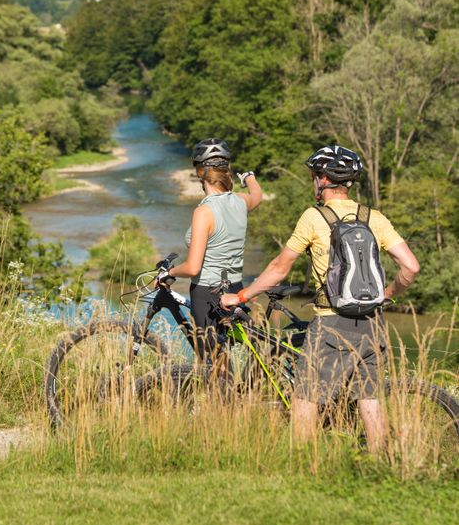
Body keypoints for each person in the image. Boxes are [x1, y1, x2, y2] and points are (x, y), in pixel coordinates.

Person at [221, 145, 420, 453]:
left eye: (314, 176)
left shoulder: (314, 218)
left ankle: (303, 466)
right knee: (369, 398)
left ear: (323, 179)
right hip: (372, 323)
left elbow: (278, 268)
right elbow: (411, 267)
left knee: (306, 396)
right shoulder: (374, 218)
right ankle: (382, 463)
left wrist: (242, 295)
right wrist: (386, 295)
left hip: (331, 322)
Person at [160, 138, 263, 358]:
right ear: (227, 169)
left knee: (213, 361)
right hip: (235, 288)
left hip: (207, 293)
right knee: (227, 355)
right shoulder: (241, 201)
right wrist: (250, 177)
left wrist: (169, 272)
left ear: (200, 172)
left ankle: (222, 392)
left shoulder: (204, 212)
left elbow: (192, 268)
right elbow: (257, 196)